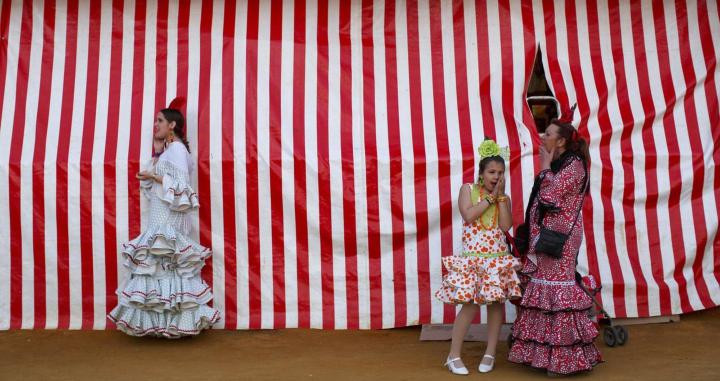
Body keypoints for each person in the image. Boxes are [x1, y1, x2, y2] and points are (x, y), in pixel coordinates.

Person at [108, 98, 220, 338]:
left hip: (168, 217)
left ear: (172, 124)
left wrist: (155, 176)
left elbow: (182, 186)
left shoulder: (177, 150)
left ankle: (172, 324)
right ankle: (164, 324)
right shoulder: (171, 150)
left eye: (159, 121)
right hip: (161, 215)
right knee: (160, 266)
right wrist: (157, 160)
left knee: (167, 264)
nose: (155, 125)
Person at [508, 109, 602, 375]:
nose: (542, 137)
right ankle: (545, 356)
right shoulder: (563, 164)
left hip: (559, 239)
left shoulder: (574, 165)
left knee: (558, 292)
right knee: (544, 289)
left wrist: (544, 168)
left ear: (560, 141)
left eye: (547, 134)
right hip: (547, 237)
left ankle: (564, 361)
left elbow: (550, 198)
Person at [436, 139, 522, 375]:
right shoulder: (468, 190)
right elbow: (468, 215)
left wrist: (501, 198)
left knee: (495, 306)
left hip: (496, 259)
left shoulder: (503, 198)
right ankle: (453, 355)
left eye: (501, 172)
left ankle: (490, 353)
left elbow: (505, 226)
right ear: (481, 173)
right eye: (492, 171)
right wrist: (490, 198)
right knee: (470, 306)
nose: (496, 176)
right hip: (474, 259)